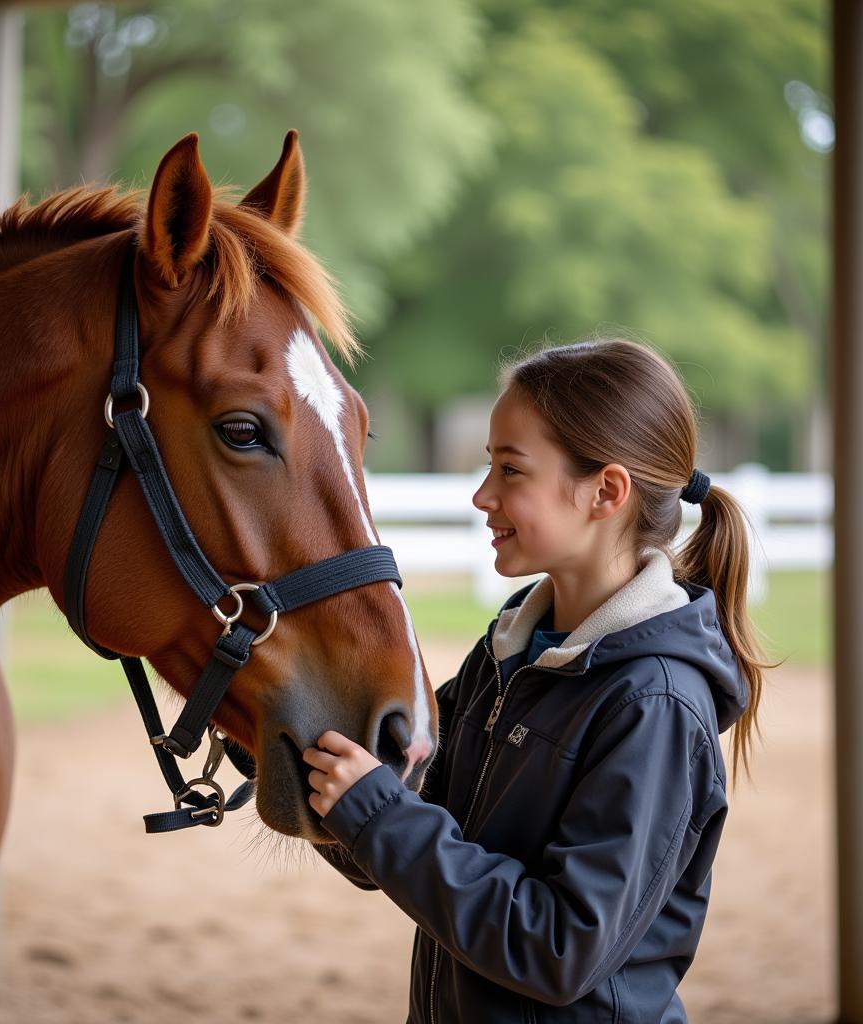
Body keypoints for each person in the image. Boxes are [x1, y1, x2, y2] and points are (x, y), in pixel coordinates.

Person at [304, 338, 768, 1023]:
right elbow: (405, 846)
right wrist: (294, 754)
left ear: (606, 491)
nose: (482, 494)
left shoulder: (655, 703)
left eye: (510, 470)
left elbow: (558, 948)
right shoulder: (509, 654)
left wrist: (377, 813)